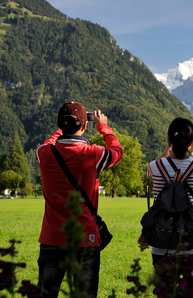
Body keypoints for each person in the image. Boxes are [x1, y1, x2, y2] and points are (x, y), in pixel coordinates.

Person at [36, 101, 123, 297]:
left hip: (52, 239)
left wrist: (61, 130)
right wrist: (103, 126)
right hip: (85, 240)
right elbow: (117, 152)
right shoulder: (94, 154)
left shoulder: (44, 154)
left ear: (59, 123)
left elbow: (49, 142)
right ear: (84, 126)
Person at [140, 117, 193, 298]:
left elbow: (153, 171)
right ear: (191, 141)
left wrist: (168, 147)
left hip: (161, 238)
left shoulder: (155, 166)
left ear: (169, 140)